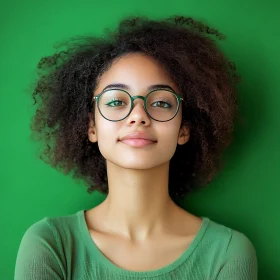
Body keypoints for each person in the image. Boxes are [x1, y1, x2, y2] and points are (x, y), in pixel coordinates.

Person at [14, 15, 258, 279]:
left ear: (184, 129)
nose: (138, 115)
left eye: (162, 103)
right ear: (91, 127)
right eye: (116, 101)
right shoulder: (51, 245)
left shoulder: (228, 252)